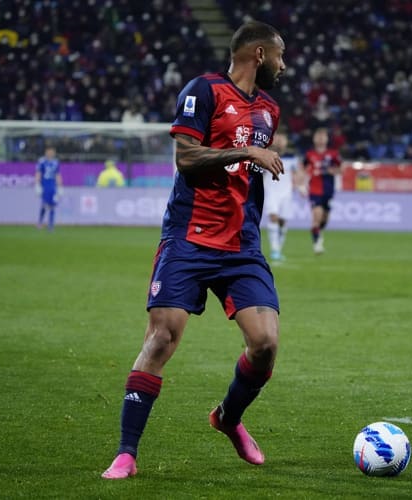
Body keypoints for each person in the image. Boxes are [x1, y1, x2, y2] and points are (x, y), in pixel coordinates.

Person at [102, 20, 286, 480]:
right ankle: (126, 453)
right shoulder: (203, 90)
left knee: (265, 344)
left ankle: (228, 417)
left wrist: (249, 161)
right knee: (162, 338)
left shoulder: (268, 109)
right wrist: (244, 155)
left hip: (242, 245)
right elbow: (186, 157)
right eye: (280, 57)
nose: (285, 67)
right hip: (189, 237)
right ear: (259, 55)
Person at [263, 130, 303, 261]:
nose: (280, 141)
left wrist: (301, 187)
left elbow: (298, 174)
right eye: (277, 137)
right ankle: (275, 249)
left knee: (282, 221)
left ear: (286, 141)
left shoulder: (292, 156)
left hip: (286, 193)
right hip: (271, 191)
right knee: (273, 217)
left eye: (283, 138)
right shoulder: (266, 154)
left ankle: (279, 248)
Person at [304, 127, 342, 254]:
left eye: (323, 136)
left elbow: (341, 169)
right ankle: (317, 244)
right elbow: (303, 169)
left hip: (328, 191)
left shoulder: (333, 154)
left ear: (326, 139)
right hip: (314, 190)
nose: (320, 138)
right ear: (314, 139)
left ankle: (318, 234)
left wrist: (333, 171)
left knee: (324, 219)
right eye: (318, 136)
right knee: (317, 216)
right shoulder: (309, 154)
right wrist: (301, 185)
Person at [34, 146, 63, 230]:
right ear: (46, 152)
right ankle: (40, 222)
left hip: (52, 185)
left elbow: (57, 175)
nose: (51, 153)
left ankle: (51, 225)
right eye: (49, 152)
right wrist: (37, 185)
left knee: (53, 205)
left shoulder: (56, 162)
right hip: (44, 184)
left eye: (52, 152)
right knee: (44, 205)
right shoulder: (42, 161)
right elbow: (38, 173)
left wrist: (60, 186)